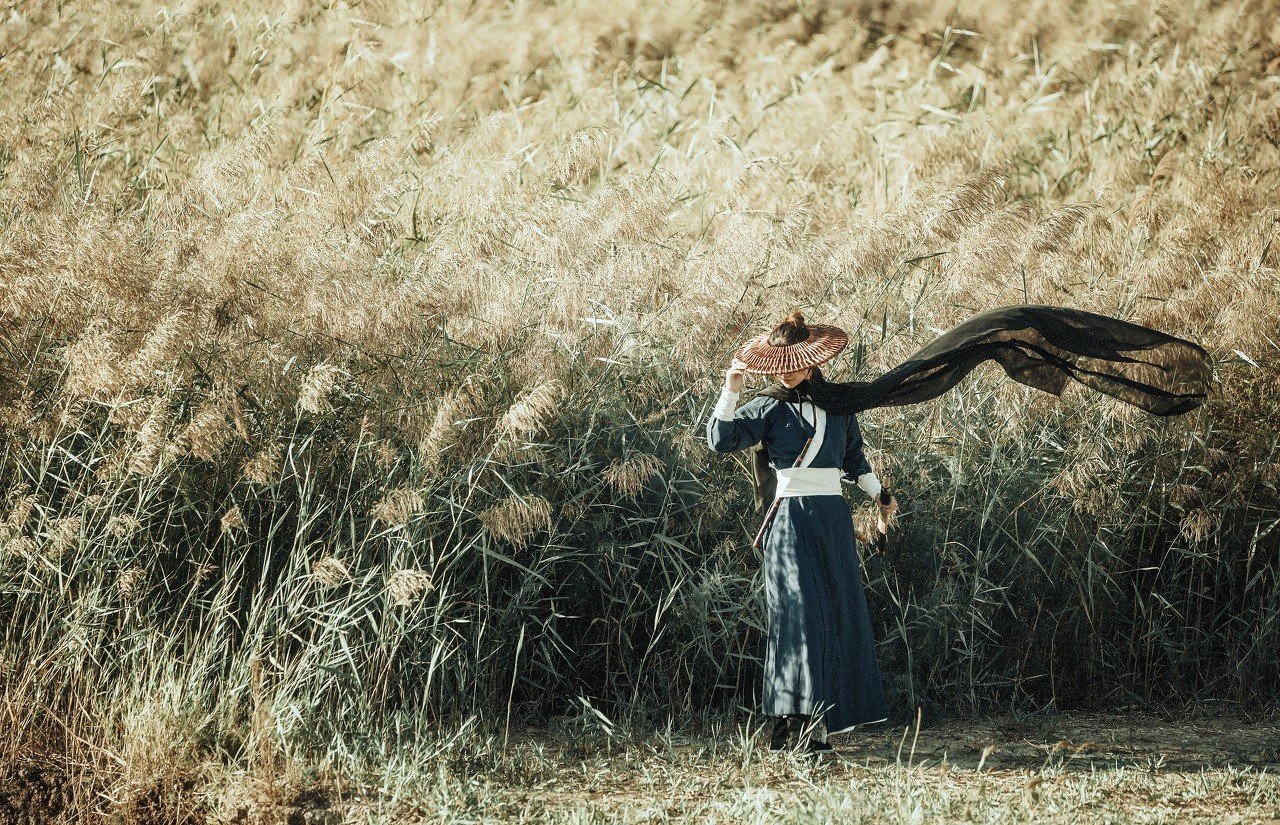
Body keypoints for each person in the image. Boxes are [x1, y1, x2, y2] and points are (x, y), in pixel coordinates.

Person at [707, 310, 896, 755]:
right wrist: (729, 393)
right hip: (789, 519)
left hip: (832, 519)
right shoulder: (768, 405)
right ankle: (792, 725)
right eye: (779, 363)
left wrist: (878, 492)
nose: (786, 371)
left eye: (794, 363)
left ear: (812, 360)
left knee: (835, 614)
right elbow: (720, 440)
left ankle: (819, 724)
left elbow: (854, 461)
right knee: (798, 617)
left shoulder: (841, 406)